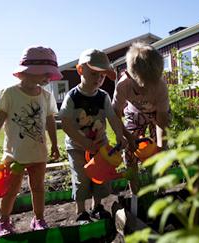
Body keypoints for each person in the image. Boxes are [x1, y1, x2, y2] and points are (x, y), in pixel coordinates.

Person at [0, 46, 61, 236]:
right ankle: (3, 221)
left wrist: (54, 143)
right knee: (10, 190)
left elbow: (50, 121)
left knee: (38, 188)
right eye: (45, 74)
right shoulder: (9, 93)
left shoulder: (46, 96)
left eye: (50, 75)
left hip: (38, 153)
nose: (48, 79)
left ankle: (39, 218)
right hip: (15, 155)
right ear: (29, 71)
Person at [59, 49, 127, 223]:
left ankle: (97, 207)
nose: (98, 79)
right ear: (80, 70)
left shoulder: (103, 96)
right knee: (81, 178)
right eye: (94, 73)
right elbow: (65, 123)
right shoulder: (72, 96)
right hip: (77, 146)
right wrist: (83, 142)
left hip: (99, 146)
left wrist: (120, 136)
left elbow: (112, 117)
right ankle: (81, 211)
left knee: (100, 177)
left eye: (102, 76)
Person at [112, 42, 171, 194]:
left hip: (157, 115)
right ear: (132, 76)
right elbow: (115, 112)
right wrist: (125, 136)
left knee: (161, 151)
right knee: (129, 153)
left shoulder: (160, 87)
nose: (146, 90)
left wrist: (160, 146)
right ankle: (135, 192)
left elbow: (162, 119)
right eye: (143, 86)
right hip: (134, 114)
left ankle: (161, 188)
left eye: (151, 84)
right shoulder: (123, 85)